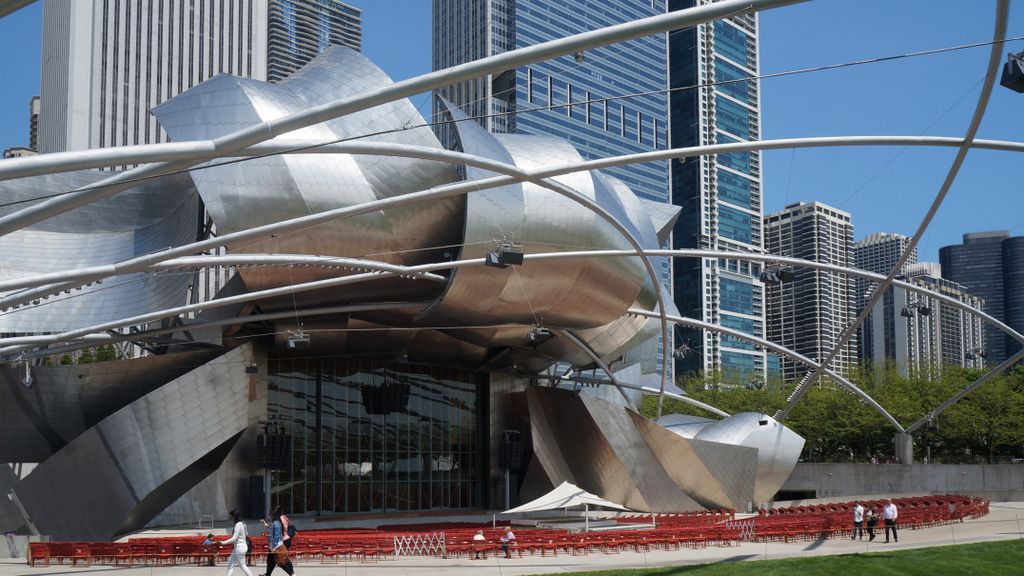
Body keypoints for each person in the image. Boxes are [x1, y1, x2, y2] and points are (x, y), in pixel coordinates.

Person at [262, 510, 296, 576]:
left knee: (281, 562)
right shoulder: (276, 522)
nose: (270, 516)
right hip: (275, 545)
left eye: (271, 515)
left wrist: (273, 546)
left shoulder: (276, 523)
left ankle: (292, 574)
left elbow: (277, 536)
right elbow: (273, 533)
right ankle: (268, 574)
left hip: (276, 546)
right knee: (272, 561)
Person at [220, 510, 254, 576]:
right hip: (238, 547)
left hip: (239, 547)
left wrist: (223, 543)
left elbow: (234, 538)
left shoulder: (238, 525)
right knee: (230, 564)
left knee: (242, 566)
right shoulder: (243, 524)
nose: (231, 518)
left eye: (231, 516)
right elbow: (246, 534)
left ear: (234, 516)